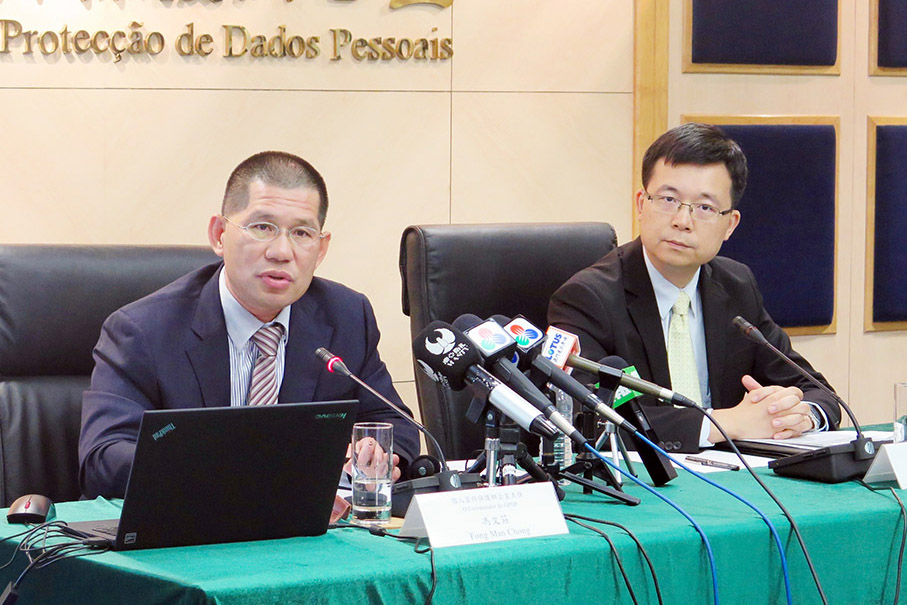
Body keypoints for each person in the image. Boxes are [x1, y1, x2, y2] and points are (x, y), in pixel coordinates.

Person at [79, 151, 419, 498]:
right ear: (219, 234)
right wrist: (234, 473)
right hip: (188, 522)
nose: (281, 252)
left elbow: (394, 422)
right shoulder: (143, 331)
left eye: (302, 233)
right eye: (262, 228)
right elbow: (103, 457)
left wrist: (377, 451)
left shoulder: (346, 316)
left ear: (320, 249)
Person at [548, 123, 840, 452]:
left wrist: (802, 415)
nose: (682, 221)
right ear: (641, 204)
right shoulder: (588, 298)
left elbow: (817, 391)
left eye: (704, 208)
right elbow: (577, 417)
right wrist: (723, 423)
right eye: (668, 199)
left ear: (730, 225)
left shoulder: (737, 287)